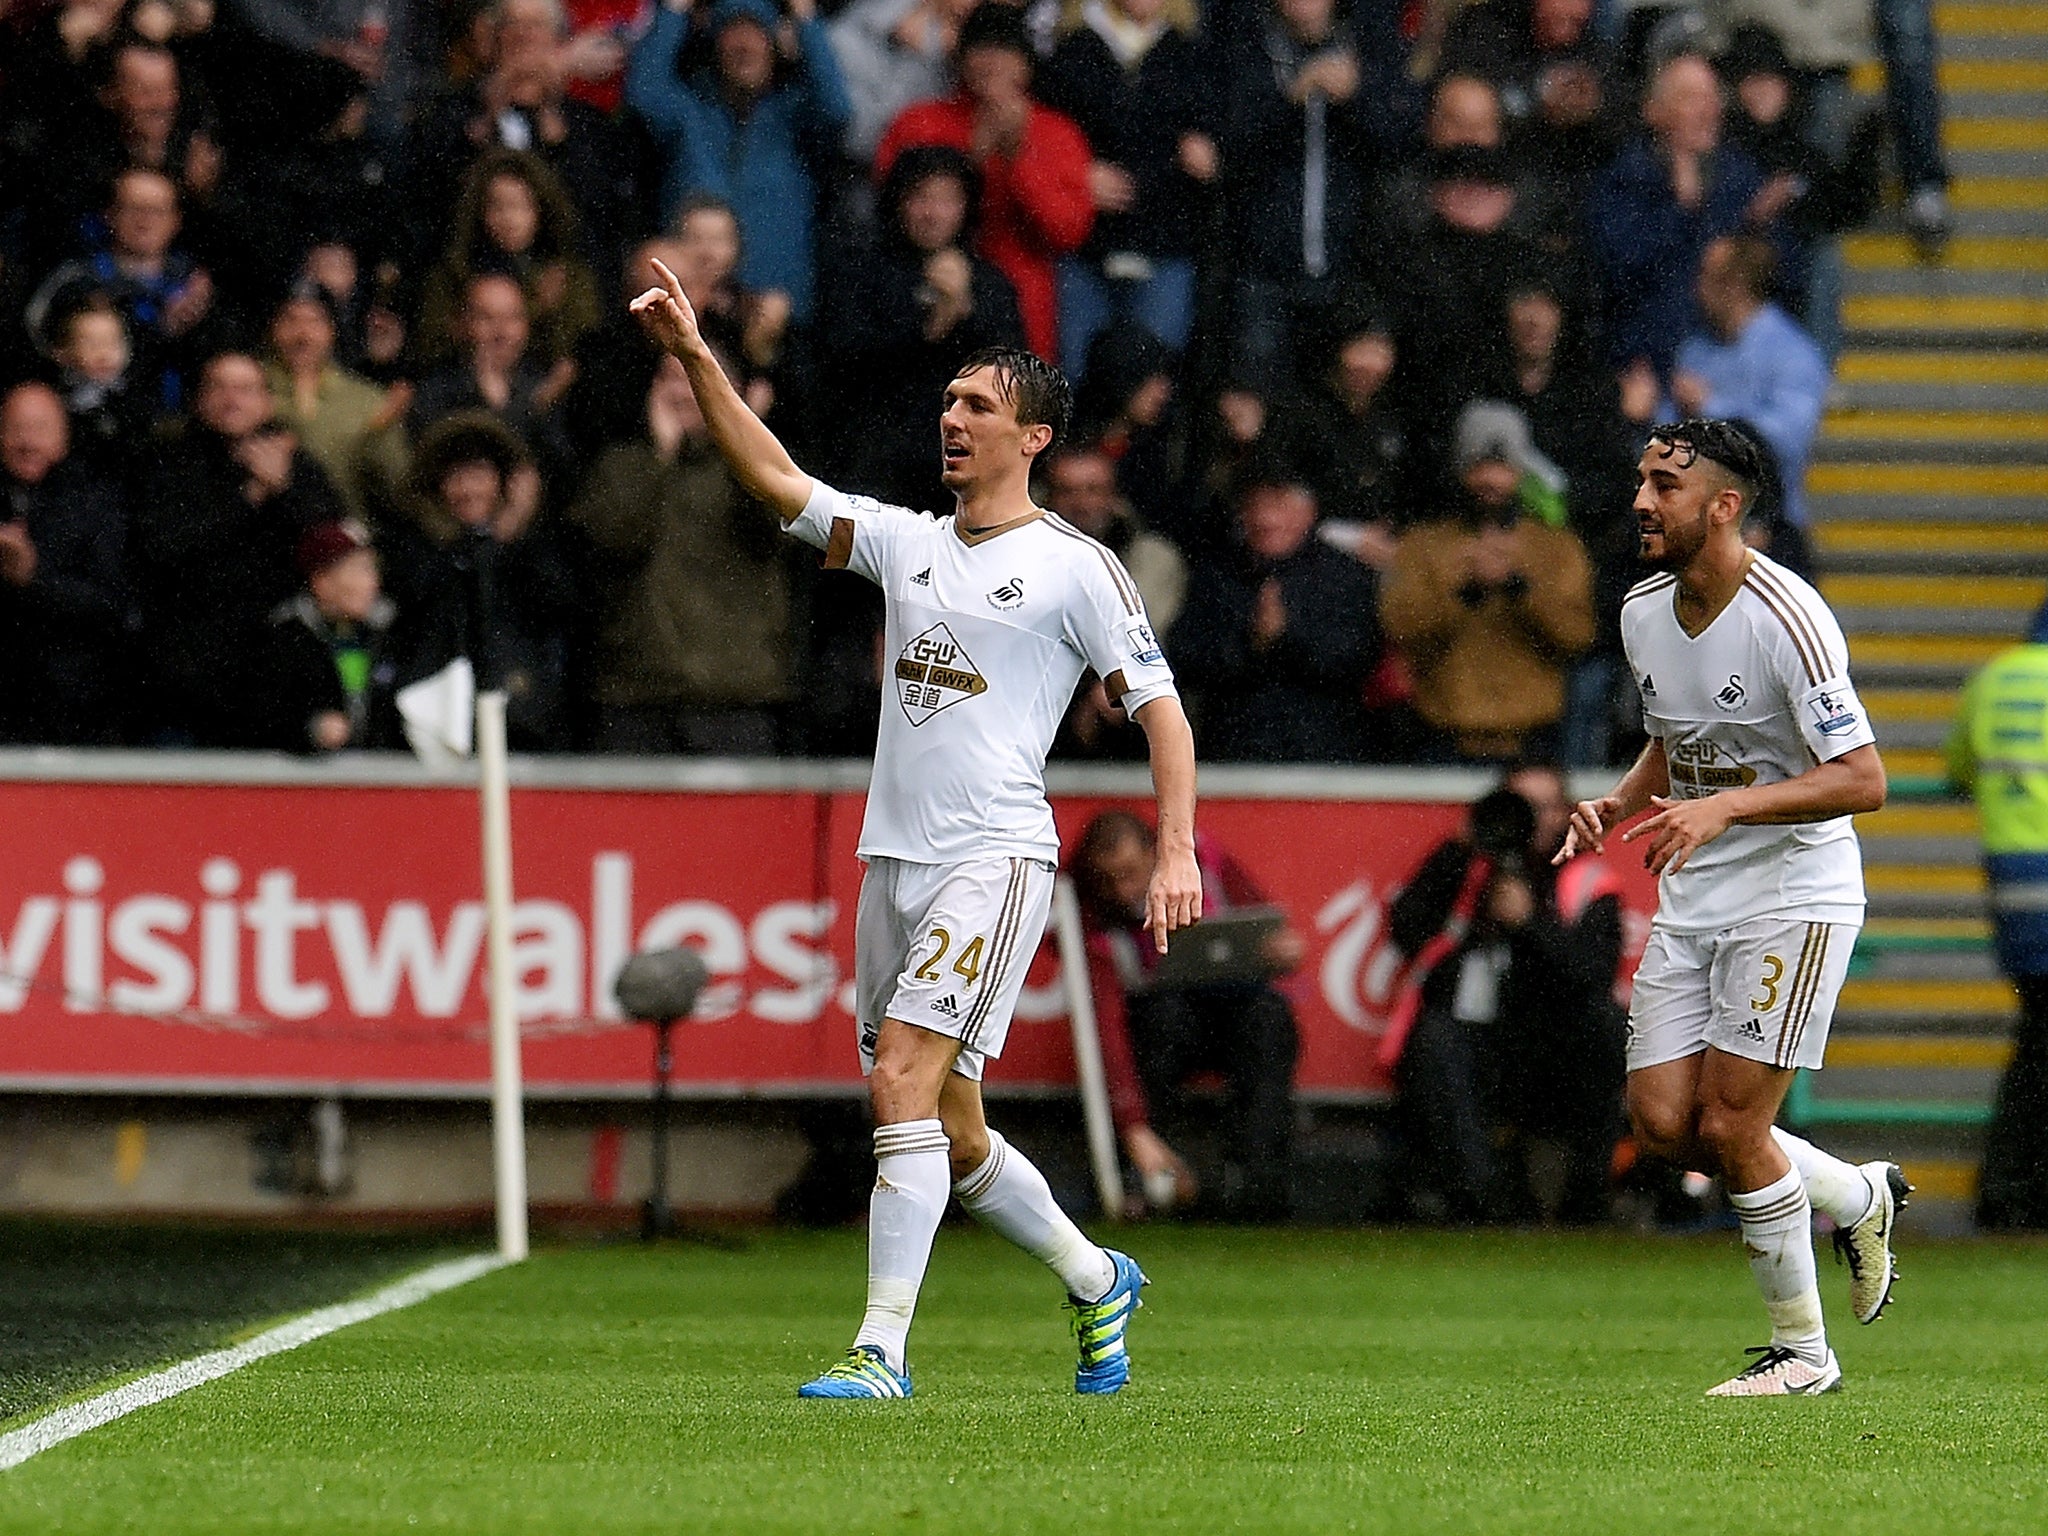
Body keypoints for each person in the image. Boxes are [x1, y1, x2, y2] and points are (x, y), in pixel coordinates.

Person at [630, 259, 1202, 1399]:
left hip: (993, 857)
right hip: (891, 861)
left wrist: (1177, 845)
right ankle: (1096, 1279)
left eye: (978, 405)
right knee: (953, 1128)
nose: (952, 418)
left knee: (898, 1079)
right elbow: (778, 481)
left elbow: (1162, 712)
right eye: (947, 401)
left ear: (1032, 436)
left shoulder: (1075, 569)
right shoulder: (906, 540)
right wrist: (699, 360)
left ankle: (879, 1348)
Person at [1554, 416, 1901, 1396]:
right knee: (1664, 1122)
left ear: (1721, 506)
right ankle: (1855, 1192)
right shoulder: (1639, 611)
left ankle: (1802, 1355)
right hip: (1696, 887)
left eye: (1663, 487)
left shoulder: (1786, 617)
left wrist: (1727, 806)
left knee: (1732, 1126)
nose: (1638, 501)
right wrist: (1618, 803)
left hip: (1792, 888)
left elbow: (1862, 778)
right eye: (1638, 482)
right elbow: (1676, 731)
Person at [1070, 809, 1302, 1221]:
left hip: (1235, 1008)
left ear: (1156, 856)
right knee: (1163, 1022)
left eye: (1131, 873)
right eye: (1110, 880)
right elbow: (1107, 1031)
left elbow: (1260, 920)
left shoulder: (1206, 858)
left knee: (1270, 1020)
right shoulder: (1091, 924)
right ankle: (1155, 1179)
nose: (1123, 891)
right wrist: (1133, 1125)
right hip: (1157, 1028)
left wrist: (1280, 951)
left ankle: (1261, 1192)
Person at [565, 353, 798, 754]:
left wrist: (745, 438)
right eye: (673, 378)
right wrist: (661, 457)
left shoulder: (767, 469)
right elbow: (615, 539)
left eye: (700, 376)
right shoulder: (622, 464)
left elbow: (771, 534)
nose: (684, 391)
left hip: (735, 701)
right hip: (636, 700)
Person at [874, 3, 1095, 364]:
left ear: (1026, 64)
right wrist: (973, 157)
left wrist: (1017, 160)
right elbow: (889, 205)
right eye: (981, 48)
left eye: (1006, 50)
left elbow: (1068, 231)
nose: (993, 61)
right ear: (961, 57)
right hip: (918, 302)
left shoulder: (1056, 132)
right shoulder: (920, 122)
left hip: (1022, 307)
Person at [1380, 401, 1594, 763]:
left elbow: (1577, 636)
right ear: (1460, 469)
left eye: (1503, 466)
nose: (1491, 479)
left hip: (1533, 740)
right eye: (1479, 465)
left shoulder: (1557, 547)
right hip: (1443, 737)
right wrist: (1466, 592)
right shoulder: (1422, 545)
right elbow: (1401, 631)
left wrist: (1519, 588)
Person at [626, 0, 851, 322]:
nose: (744, 45)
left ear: (774, 43)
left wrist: (805, 17)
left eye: (757, 33)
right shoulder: (689, 113)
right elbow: (644, 95)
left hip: (777, 311)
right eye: (732, 33)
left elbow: (836, 110)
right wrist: (675, 10)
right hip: (693, 310)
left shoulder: (795, 117)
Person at [1944, 597, 2048, 1230]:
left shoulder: (1996, 678)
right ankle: (2011, 1192)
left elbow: (1958, 768)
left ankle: (2009, 1190)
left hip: (2013, 881)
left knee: (2038, 1032)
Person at [1170, 468, 1383, 763]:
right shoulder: (1217, 574)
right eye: (1256, 506)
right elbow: (1186, 655)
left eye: (1279, 506)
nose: (1265, 519)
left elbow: (1355, 657)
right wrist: (1250, 644)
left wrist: (1286, 640)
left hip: (1322, 752)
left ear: (1309, 513)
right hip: (1233, 752)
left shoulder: (1343, 576)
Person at [1667, 235, 1828, 531]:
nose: (1696, 287)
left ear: (1735, 285)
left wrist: (1709, 408)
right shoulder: (1696, 349)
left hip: (1766, 525)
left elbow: (1785, 439)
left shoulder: (1792, 352)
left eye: (1706, 276)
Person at [0, 382, 130, 746]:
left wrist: (32, 580)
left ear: (64, 437)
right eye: (15, 429)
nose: (27, 442)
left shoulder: (95, 504)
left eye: (39, 429)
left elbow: (110, 604)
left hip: (73, 707)